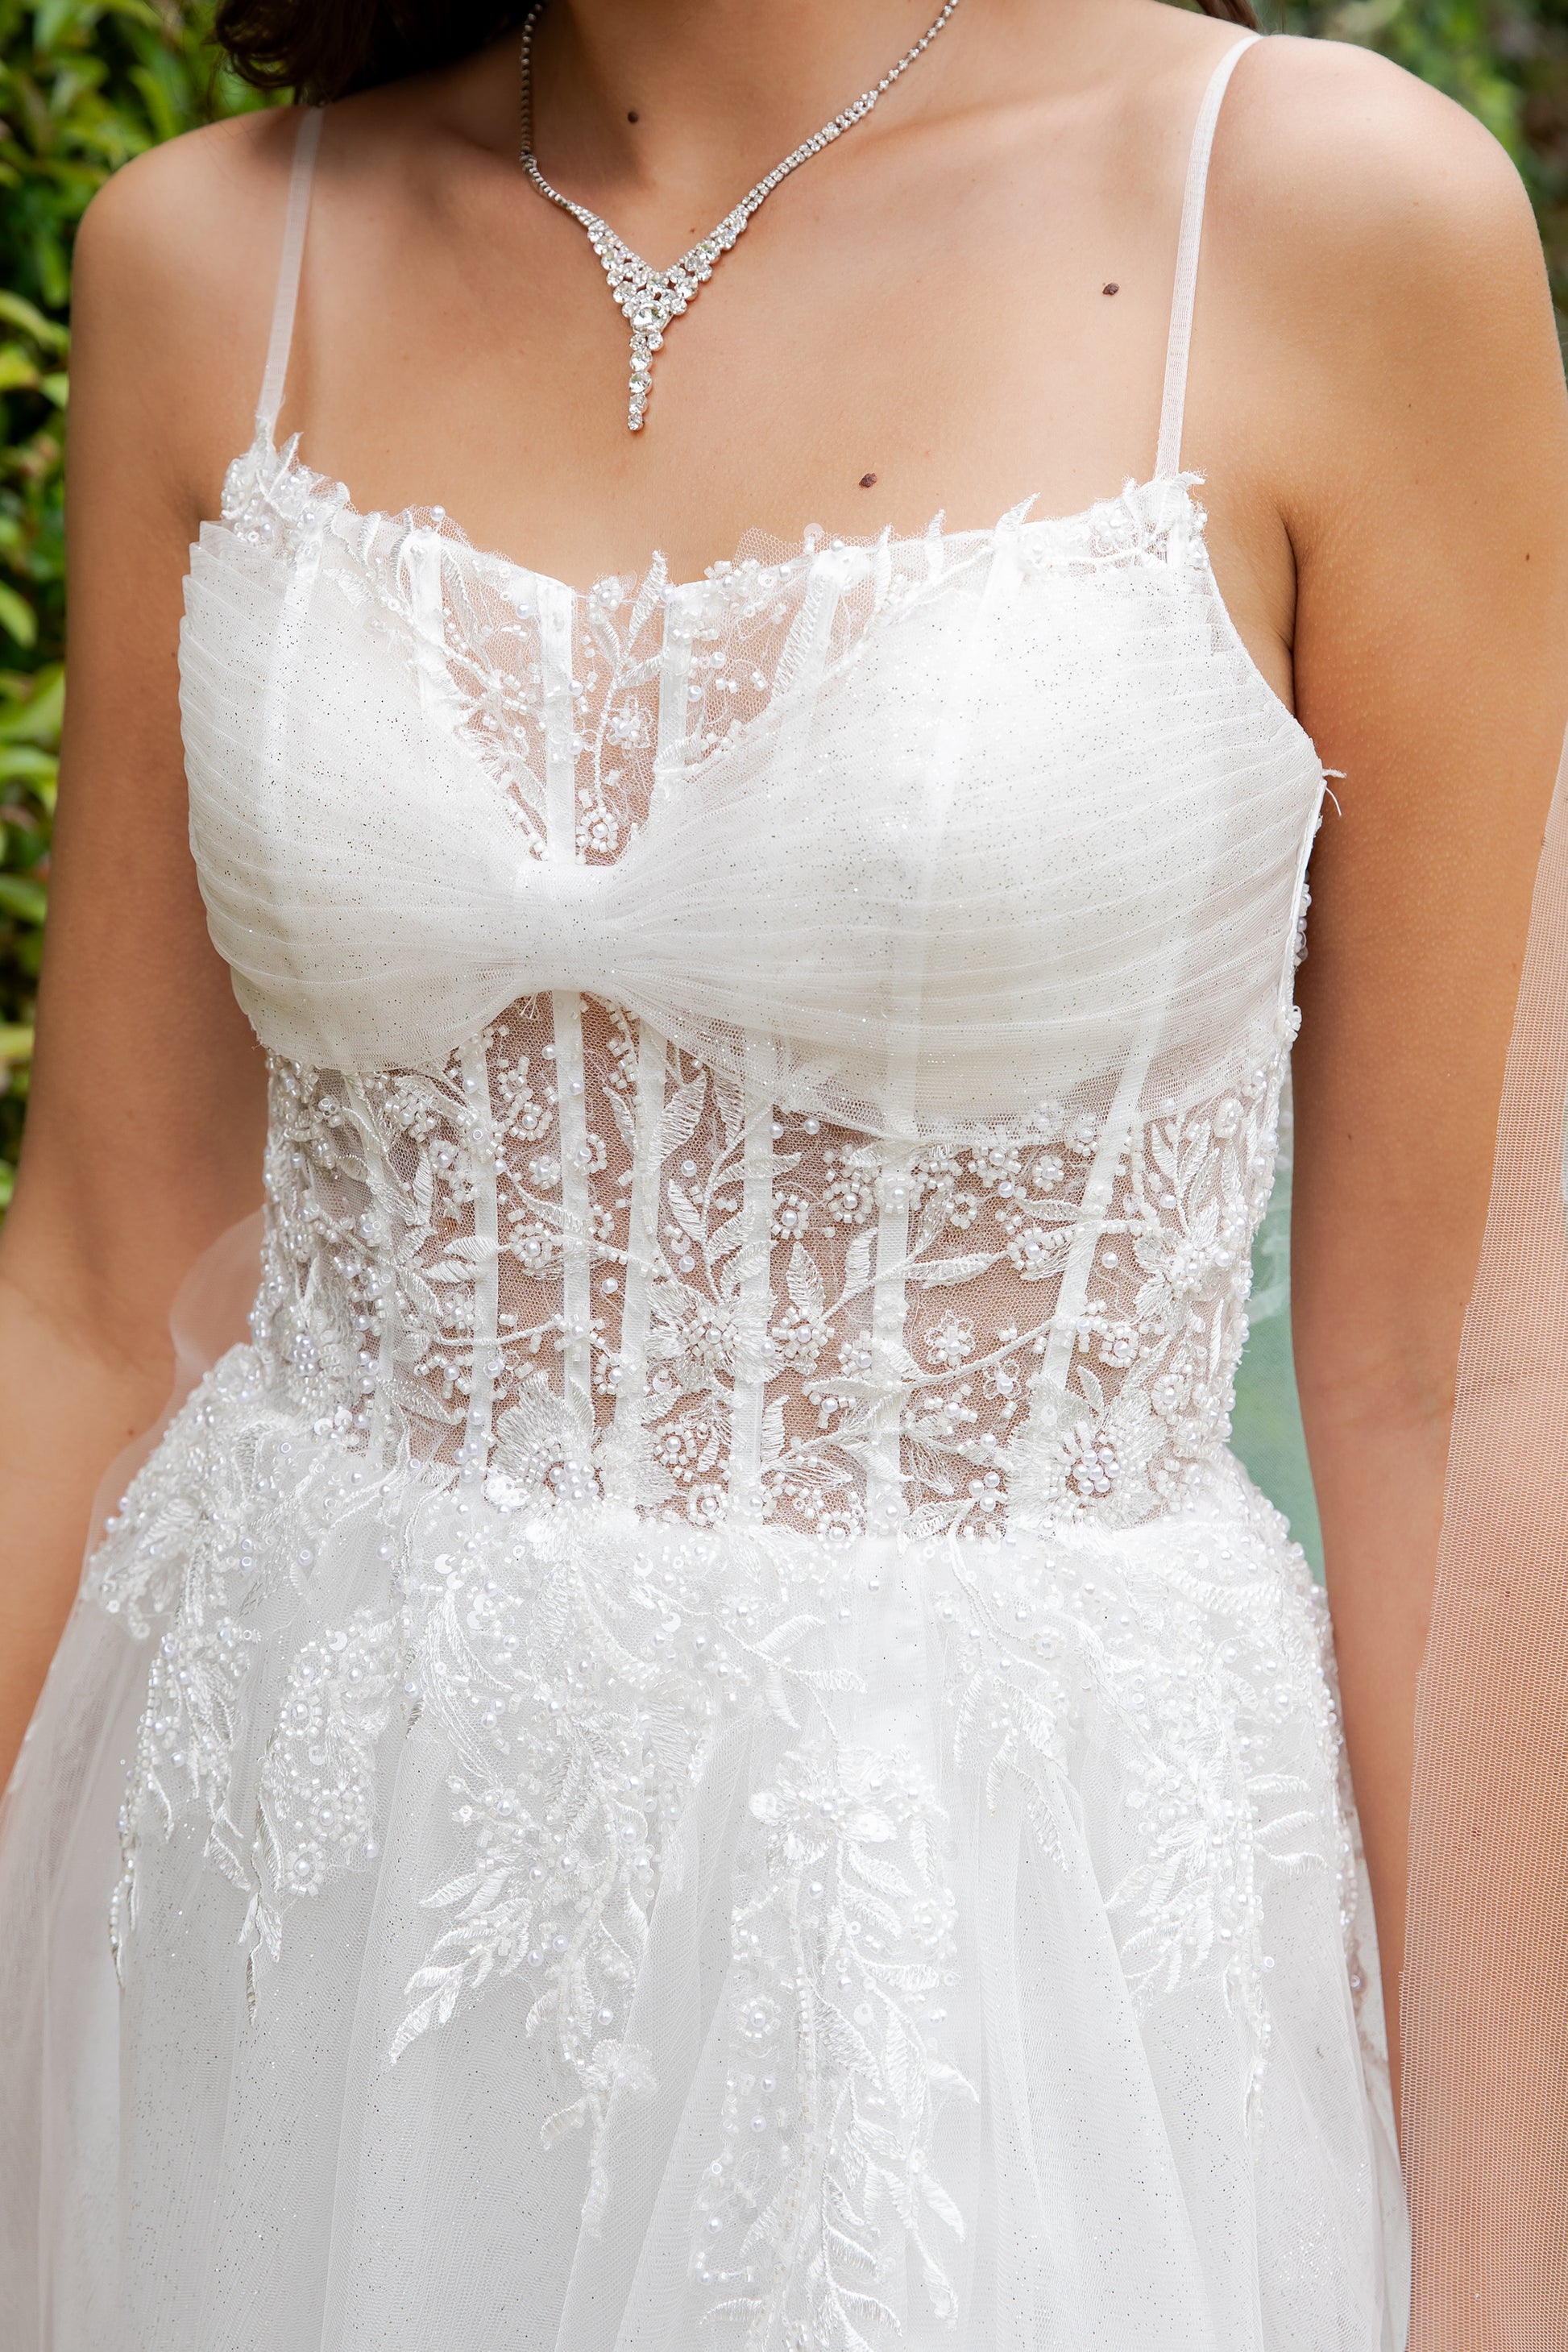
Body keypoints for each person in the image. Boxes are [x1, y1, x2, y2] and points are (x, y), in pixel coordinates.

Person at [2, 0, 1565, 2341]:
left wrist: (1512, 2267)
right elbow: (92, 1283)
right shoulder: (215, 254)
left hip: (996, 1962)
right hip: (273, 1899)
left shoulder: (1330, 217)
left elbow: (1459, 1389)